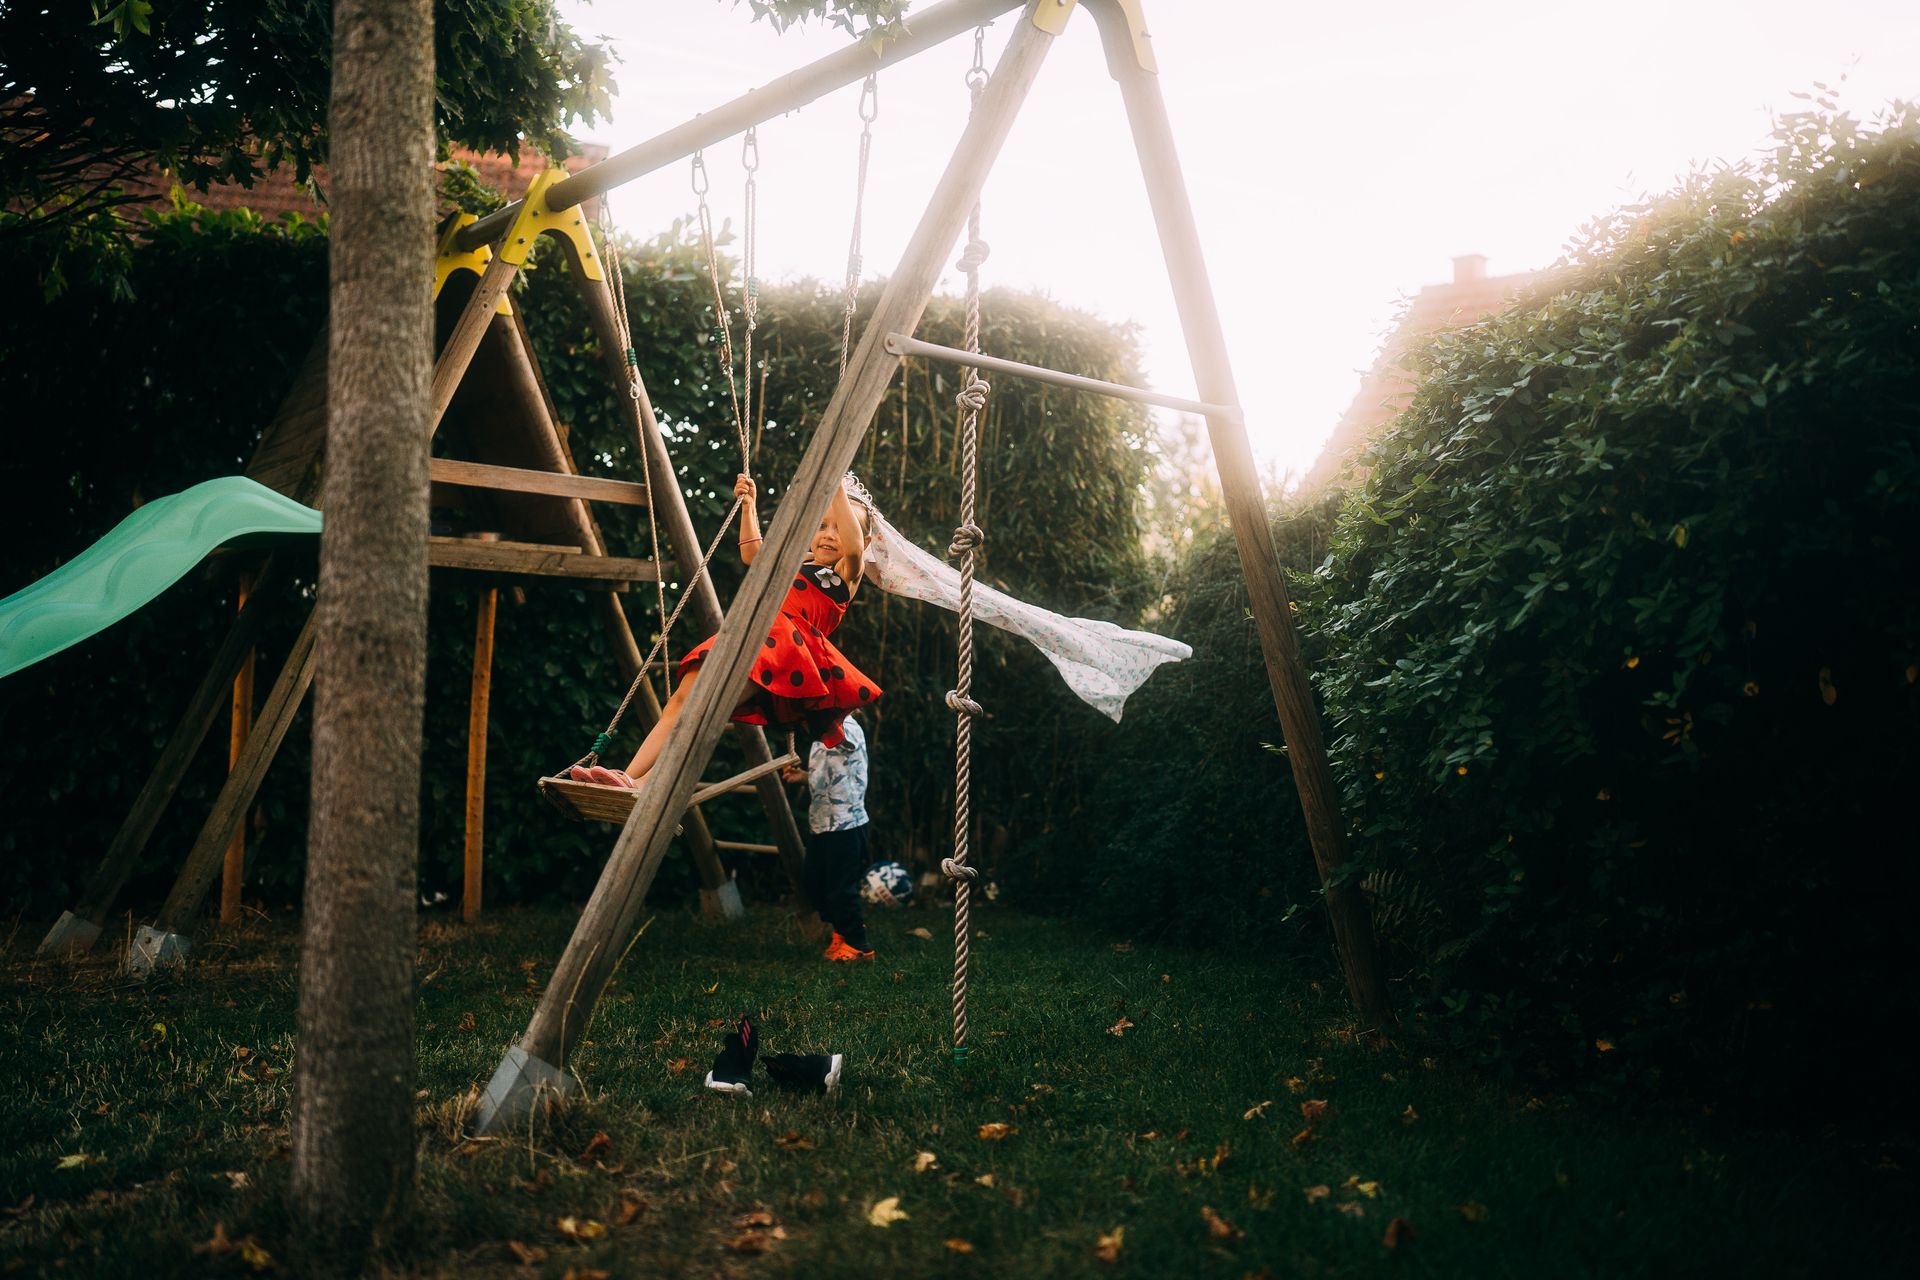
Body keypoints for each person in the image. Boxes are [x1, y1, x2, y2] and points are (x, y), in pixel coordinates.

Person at [572, 471, 882, 789]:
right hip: (749, 633)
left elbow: (855, 548)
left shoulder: (847, 572)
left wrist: (834, 488)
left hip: (782, 650)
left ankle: (649, 782)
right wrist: (749, 506)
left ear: (863, 538)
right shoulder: (801, 560)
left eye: (840, 528)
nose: (829, 535)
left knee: (705, 707)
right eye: (821, 525)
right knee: (679, 701)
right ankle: (627, 775)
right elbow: (752, 555)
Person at [783, 710, 875, 961]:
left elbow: (844, 744)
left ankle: (859, 944)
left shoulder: (846, 728)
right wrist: (803, 776)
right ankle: (842, 932)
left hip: (846, 825)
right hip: (822, 823)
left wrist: (821, 718)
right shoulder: (820, 736)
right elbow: (830, 774)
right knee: (814, 882)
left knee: (841, 888)